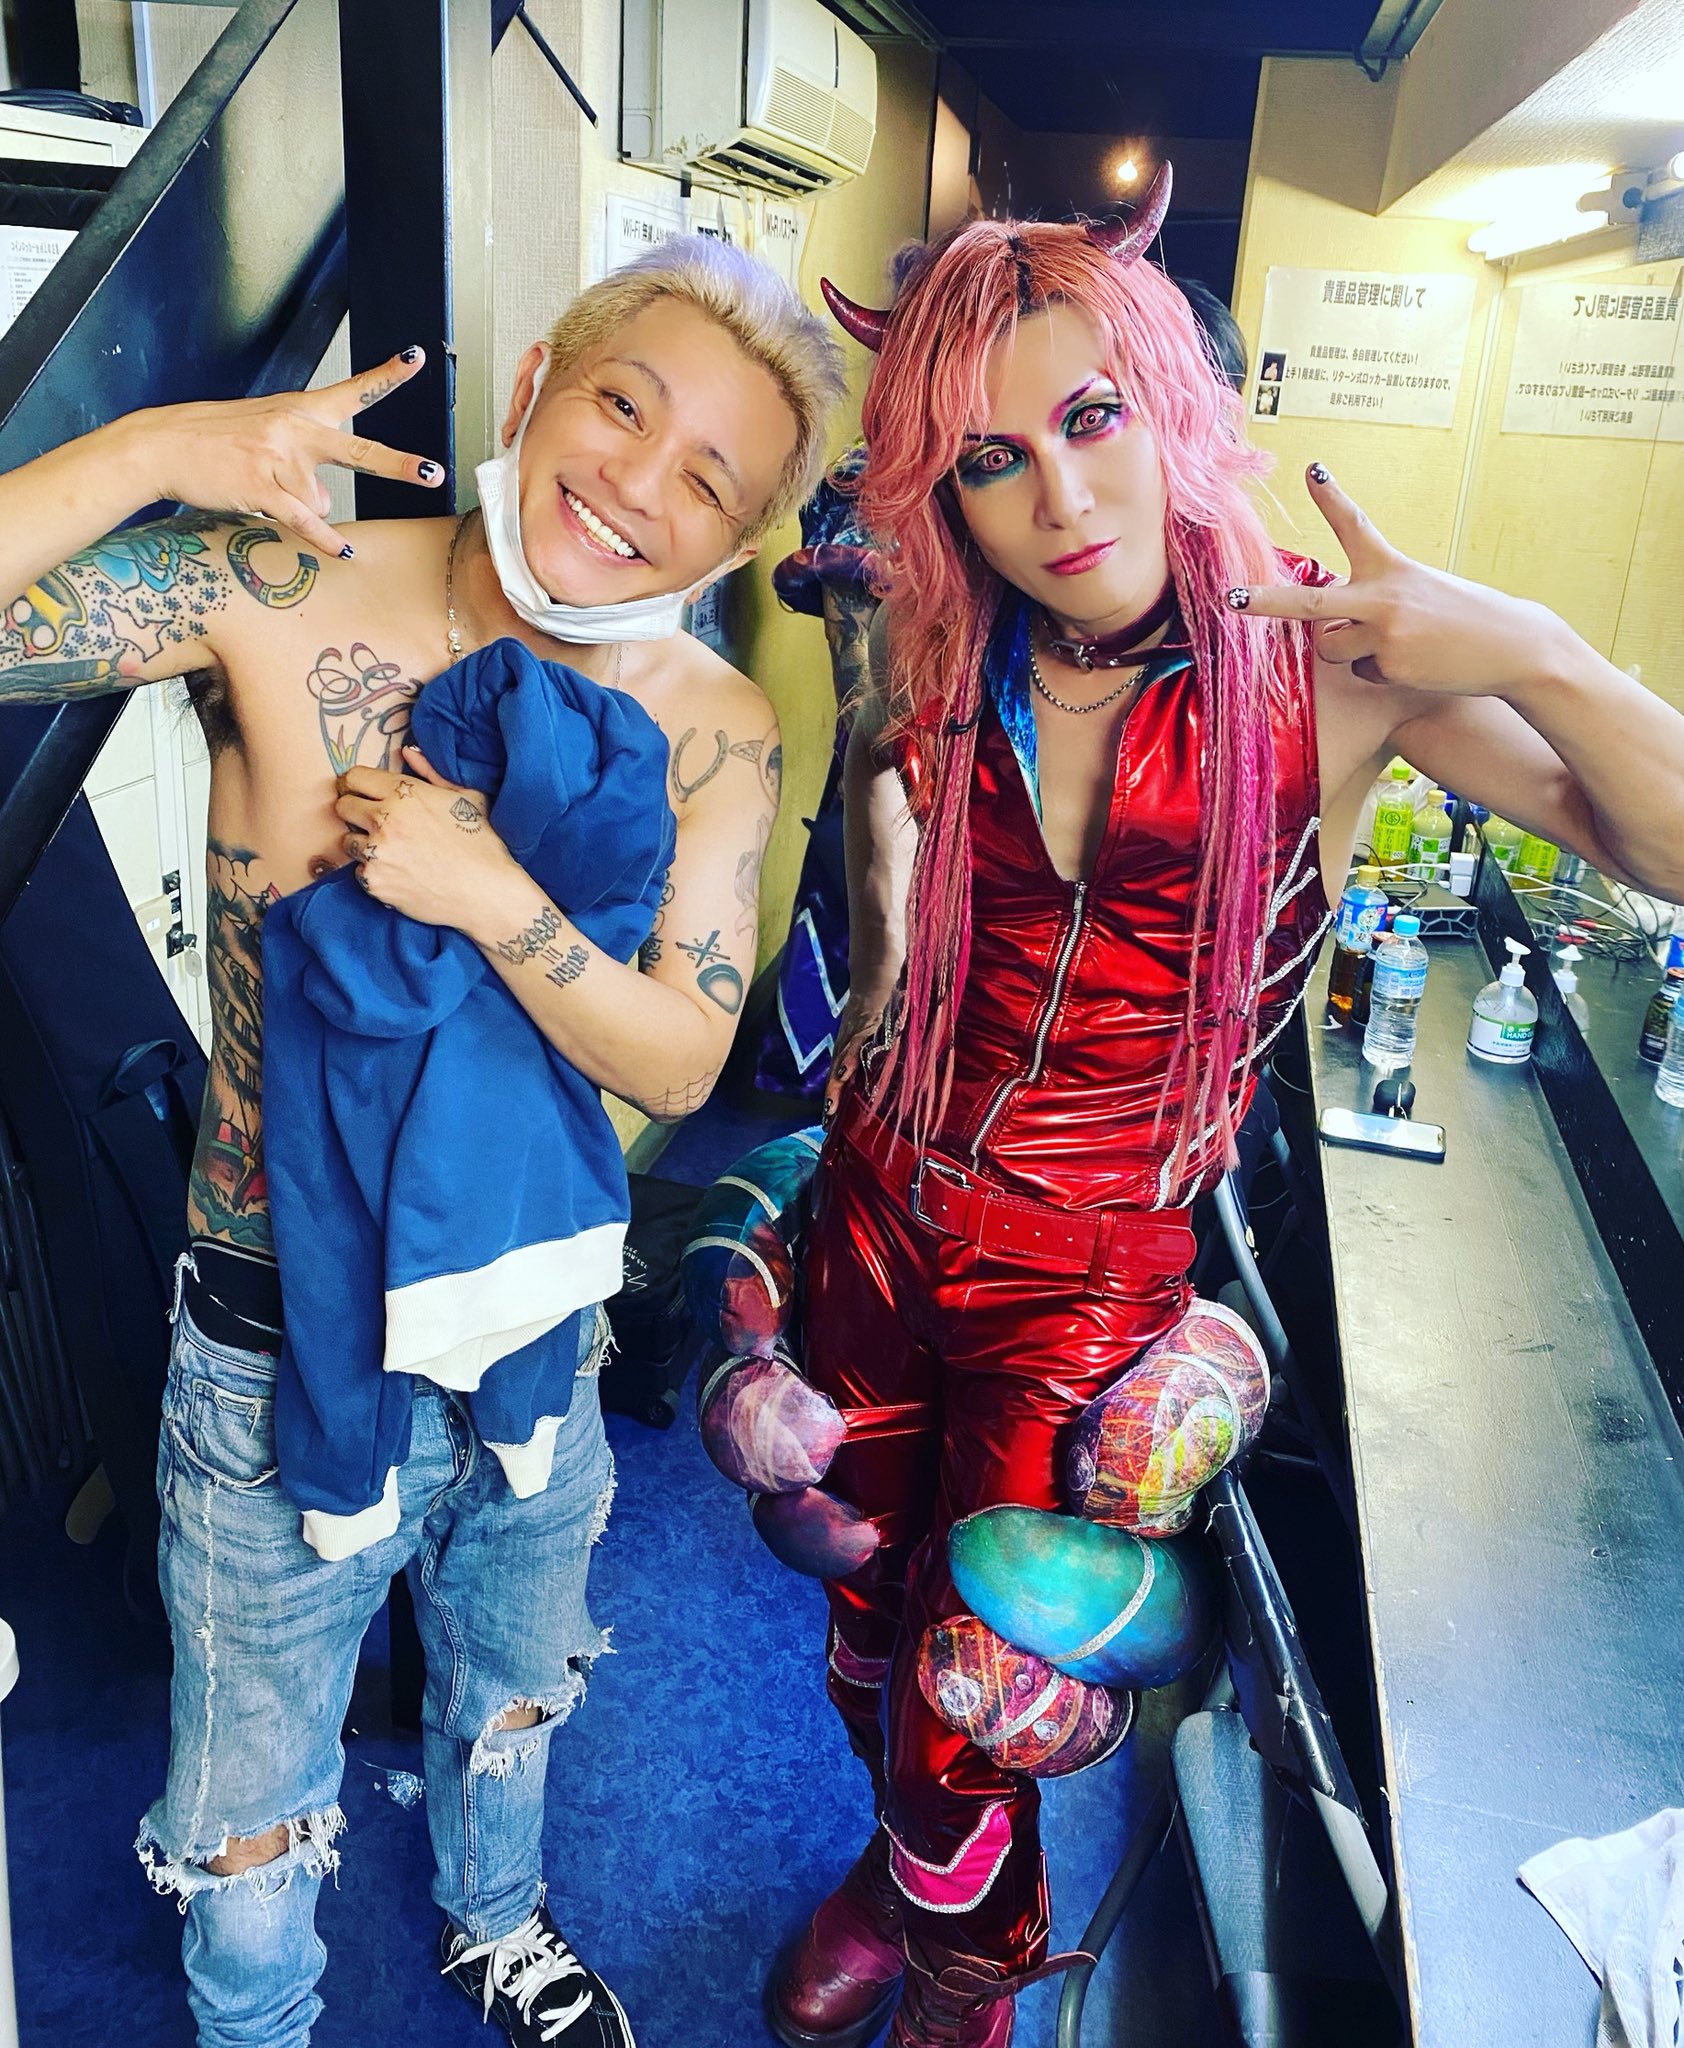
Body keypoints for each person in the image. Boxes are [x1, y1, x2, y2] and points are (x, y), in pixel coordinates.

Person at [768, 169, 1684, 2048]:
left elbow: (1664, 846)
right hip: (875, 1214)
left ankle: (971, 1972)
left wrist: (1531, 640)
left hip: (1084, 1269)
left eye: (1091, 418)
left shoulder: (1326, 670)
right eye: (994, 461)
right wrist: (870, 979)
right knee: (859, 1613)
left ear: (1173, 405)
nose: (1062, 498)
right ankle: (897, 1869)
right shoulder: (949, 656)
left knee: (979, 1672)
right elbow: (882, 822)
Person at [0, 234, 843, 2048]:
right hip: (272, 1324)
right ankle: (259, 2024)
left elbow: (686, 1057)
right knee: (249, 1776)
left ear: (735, 544)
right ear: (539, 382)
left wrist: (487, 896)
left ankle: (497, 1919)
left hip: (540, 1311)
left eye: (710, 480)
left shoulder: (711, 726)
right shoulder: (285, 587)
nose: (639, 484)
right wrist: (162, 447)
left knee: (515, 1681)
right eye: (624, 406)